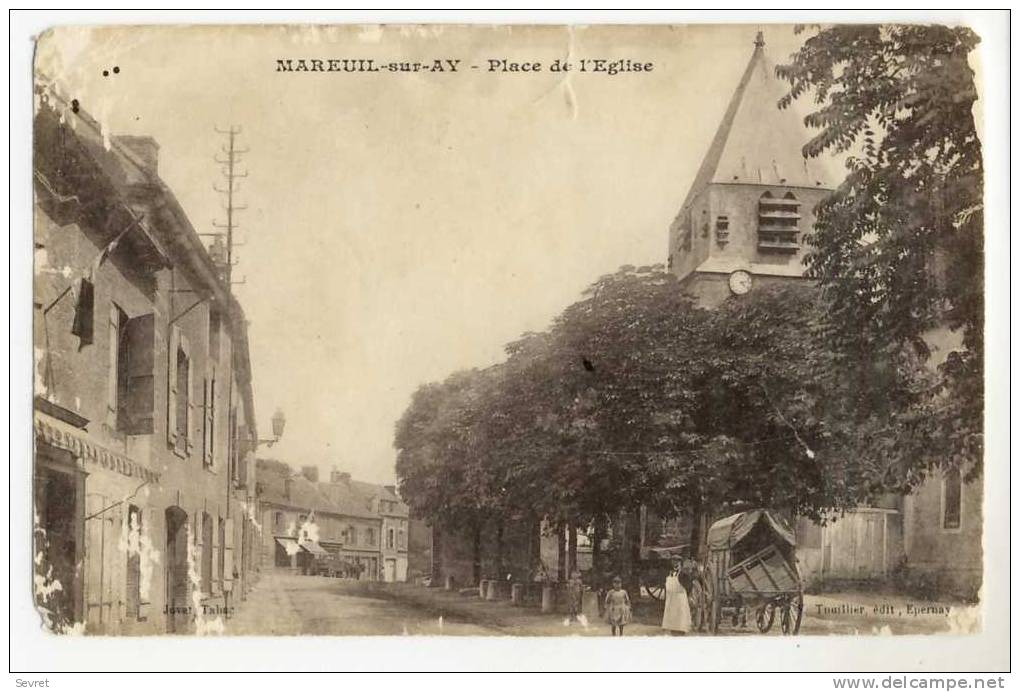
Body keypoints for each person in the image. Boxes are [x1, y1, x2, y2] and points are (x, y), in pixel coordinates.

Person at [661, 562, 692, 635]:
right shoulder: (670, 574)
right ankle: (673, 630)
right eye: (674, 563)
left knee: (681, 616)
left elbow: (689, 585)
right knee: (672, 615)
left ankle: (681, 630)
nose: (675, 565)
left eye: (677, 563)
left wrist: (686, 594)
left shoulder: (683, 574)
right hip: (671, 598)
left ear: (680, 565)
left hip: (680, 598)